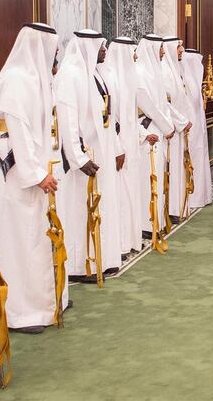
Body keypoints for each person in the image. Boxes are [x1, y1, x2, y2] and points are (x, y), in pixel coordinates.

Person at [0, 23, 68, 334]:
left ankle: (39, 306)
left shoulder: (36, 80)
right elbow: (14, 132)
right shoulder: (17, 80)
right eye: (52, 49)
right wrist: (35, 174)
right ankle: (19, 312)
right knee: (19, 243)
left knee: (34, 240)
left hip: (33, 176)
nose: (55, 55)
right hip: (18, 179)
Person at [55, 30, 123, 281]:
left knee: (98, 206)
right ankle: (77, 266)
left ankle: (99, 260)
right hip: (83, 159)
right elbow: (68, 119)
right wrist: (78, 158)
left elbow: (106, 114)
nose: (105, 51)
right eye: (101, 46)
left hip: (100, 150)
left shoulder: (92, 74)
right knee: (79, 209)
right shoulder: (70, 75)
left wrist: (114, 148)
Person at [101, 37, 144, 253]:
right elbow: (112, 120)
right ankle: (121, 244)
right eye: (133, 52)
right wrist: (119, 148)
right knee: (120, 195)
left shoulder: (129, 76)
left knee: (130, 192)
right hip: (118, 147)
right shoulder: (110, 77)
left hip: (132, 144)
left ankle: (130, 240)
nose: (136, 56)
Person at [135, 35, 175, 234]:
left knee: (158, 177)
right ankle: (146, 225)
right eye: (160, 48)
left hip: (159, 129)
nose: (163, 52)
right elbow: (148, 106)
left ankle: (157, 222)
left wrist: (168, 126)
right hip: (148, 131)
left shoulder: (155, 71)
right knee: (148, 179)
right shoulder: (140, 72)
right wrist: (167, 127)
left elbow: (163, 103)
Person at [161, 37, 192, 224]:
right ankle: (171, 210)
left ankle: (177, 207)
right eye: (179, 48)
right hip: (170, 129)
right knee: (171, 169)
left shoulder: (175, 69)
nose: (181, 51)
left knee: (179, 167)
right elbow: (164, 104)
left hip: (179, 128)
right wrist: (181, 121)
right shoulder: (164, 71)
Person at [181, 48, 212, 209]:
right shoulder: (185, 79)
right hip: (188, 128)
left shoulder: (193, 80)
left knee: (199, 159)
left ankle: (201, 195)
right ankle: (192, 198)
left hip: (198, 128)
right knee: (191, 161)